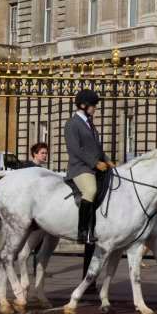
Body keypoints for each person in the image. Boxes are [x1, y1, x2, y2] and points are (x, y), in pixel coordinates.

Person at [65, 89, 112, 244]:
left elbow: (96, 147)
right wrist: (95, 163)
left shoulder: (89, 123)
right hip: (80, 167)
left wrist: (106, 159)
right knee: (90, 190)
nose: (95, 108)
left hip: (94, 166)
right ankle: (82, 231)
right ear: (83, 105)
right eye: (93, 105)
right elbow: (75, 149)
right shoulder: (72, 124)